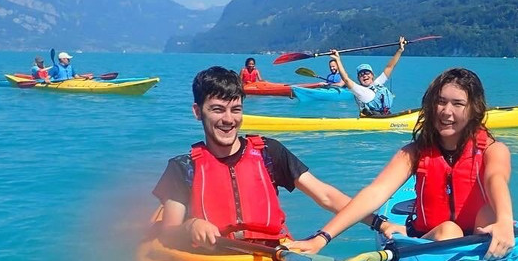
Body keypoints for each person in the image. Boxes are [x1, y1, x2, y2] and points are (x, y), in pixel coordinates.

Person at [287, 68, 515, 260]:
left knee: (489, 212)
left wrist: (504, 221)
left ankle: (498, 248)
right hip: (435, 235)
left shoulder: (494, 150)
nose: (447, 112)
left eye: (458, 104)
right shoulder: (414, 153)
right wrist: (322, 238)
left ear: (474, 109)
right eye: (441, 102)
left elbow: (495, 178)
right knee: (450, 231)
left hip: (477, 231)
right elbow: (375, 193)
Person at [152, 66, 370, 249]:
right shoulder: (183, 168)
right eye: (218, 110)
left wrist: (380, 224)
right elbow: (168, 234)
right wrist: (190, 227)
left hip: (270, 256)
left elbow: (326, 196)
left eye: (236, 110)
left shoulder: (269, 152)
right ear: (198, 112)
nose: (229, 119)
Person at [331, 37, 407, 114]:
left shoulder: (377, 84)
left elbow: (389, 67)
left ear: (372, 75)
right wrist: (338, 60)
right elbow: (346, 79)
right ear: (358, 79)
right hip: (374, 119)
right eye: (361, 74)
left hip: (386, 115)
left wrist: (400, 50)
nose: (364, 76)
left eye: (367, 73)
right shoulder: (360, 92)